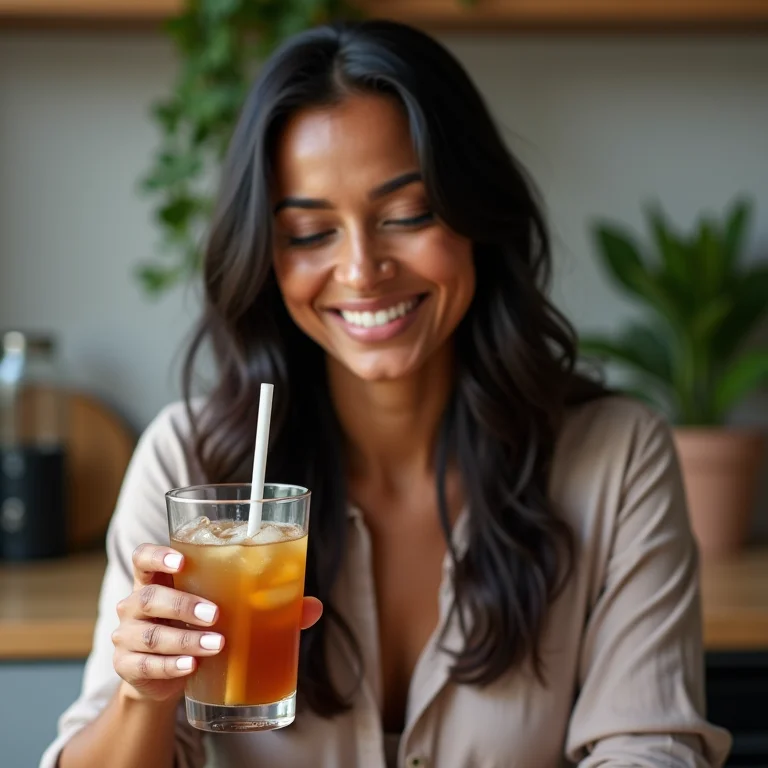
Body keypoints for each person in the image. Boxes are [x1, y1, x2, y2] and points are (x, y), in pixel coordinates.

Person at [44, 19, 731, 768]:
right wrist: (144, 697)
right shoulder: (190, 463)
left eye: (408, 215)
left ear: (477, 217)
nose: (363, 270)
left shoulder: (616, 458)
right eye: (310, 233)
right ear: (266, 258)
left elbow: (650, 750)